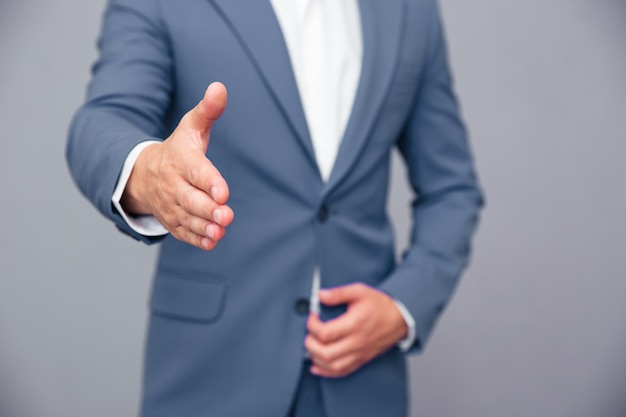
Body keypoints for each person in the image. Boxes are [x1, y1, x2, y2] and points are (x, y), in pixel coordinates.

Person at [67, 0, 483, 416]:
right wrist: (148, 172)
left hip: (363, 383)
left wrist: (403, 306)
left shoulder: (411, 11)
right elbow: (103, 120)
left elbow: (452, 188)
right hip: (212, 374)